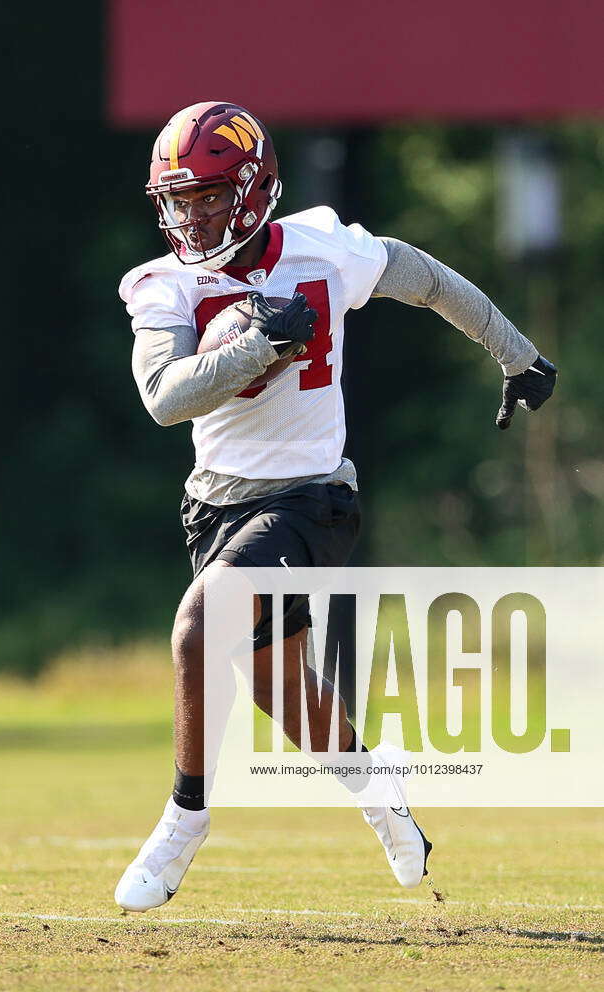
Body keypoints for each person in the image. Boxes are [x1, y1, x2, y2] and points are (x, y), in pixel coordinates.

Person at [114, 102, 557, 912]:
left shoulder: (322, 246)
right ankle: (378, 790)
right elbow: (164, 399)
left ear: (252, 189)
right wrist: (257, 345)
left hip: (313, 498)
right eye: (179, 198)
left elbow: (425, 279)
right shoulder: (164, 285)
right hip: (214, 506)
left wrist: (515, 353)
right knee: (279, 686)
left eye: (209, 195)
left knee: (196, 626)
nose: (191, 213)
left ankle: (184, 819)